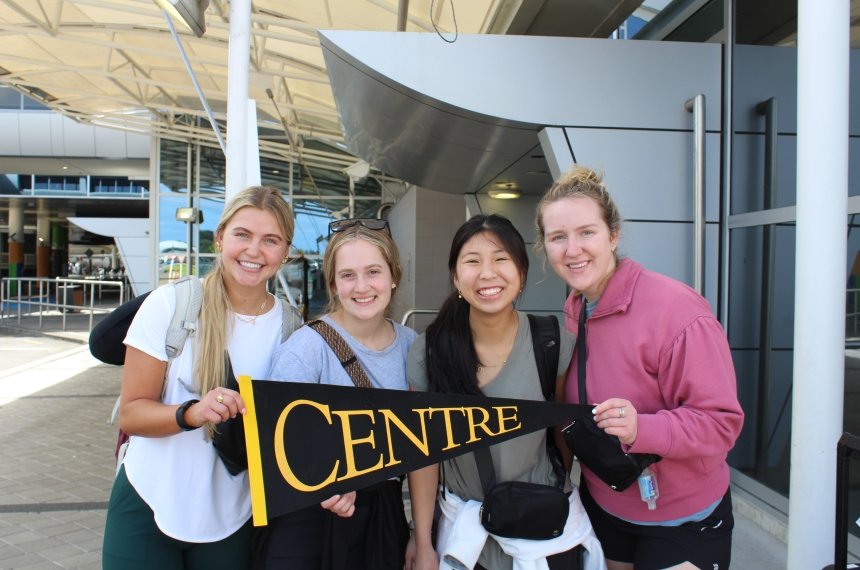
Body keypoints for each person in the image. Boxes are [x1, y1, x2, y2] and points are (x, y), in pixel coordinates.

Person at [535, 165, 745, 570]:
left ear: (613, 235)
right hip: (605, 506)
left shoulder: (677, 310)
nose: (572, 249)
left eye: (586, 232)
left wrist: (641, 429)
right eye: (558, 237)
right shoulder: (574, 309)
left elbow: (722, 423)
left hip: (684, 519)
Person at [102, 186, 299, 570]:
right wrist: (192, 413)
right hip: (148, 503)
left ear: (286, 252)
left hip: (233, 517)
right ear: (221, 237)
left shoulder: (291, 328)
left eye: (270, 240)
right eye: (242, 234)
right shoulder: (172, 305)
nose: (254, 251)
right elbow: (132, 414)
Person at [406, 214, 604, 570]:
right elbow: (423, 456)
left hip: (545, 533)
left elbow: (563, 438)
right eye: (472, 261)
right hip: (466, 542)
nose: (487, 273)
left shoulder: (553, 341)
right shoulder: (430, 352)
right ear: (455, 276)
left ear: (522, 272)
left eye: (501, 259)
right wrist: (422, 541)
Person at [261, 218, 415, 569]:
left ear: (394, 275)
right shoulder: (306, 349)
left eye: (373, 271)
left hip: (382, 518)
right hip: (309, 520)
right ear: (333, 284)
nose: (362, 286)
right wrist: (327, 483)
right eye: (348, 275)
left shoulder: (412, 347)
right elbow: (275, 442)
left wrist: (421, 535)